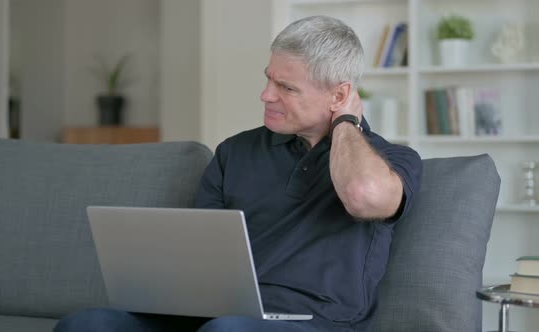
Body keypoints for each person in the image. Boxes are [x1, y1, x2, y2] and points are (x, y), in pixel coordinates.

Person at [54, 15, 422, 332]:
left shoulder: (390, 160)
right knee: (86, 323)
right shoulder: (235, 152)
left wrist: (345, 122)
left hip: (312, 323)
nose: (265, 95)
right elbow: (199, 255)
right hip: (216, 318)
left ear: (339, 95)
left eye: (286, 87)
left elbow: (363, 196)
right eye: (268, 79)